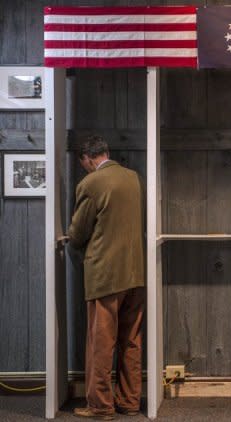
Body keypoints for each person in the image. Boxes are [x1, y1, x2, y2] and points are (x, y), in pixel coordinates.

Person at [68, 136, 145, 421]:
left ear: (87, 159)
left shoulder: (91, 184)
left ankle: (101, 406)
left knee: (101, 342)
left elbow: (77, 234)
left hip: (106, 275)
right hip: (135, 273)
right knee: (131, 340)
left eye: (84, 164)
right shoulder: (133, 178)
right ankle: (129, 401)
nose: (85, 169)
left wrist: (73, 239)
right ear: (107, 152)